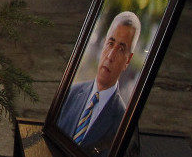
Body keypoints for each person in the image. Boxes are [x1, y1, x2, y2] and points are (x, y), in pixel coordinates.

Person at [56, 12, 142, 155]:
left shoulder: (122, 121)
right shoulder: (70, 92)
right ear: (104, 44)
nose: (110, 56)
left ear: (128, 60)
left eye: (121, 49)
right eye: (110, 43)